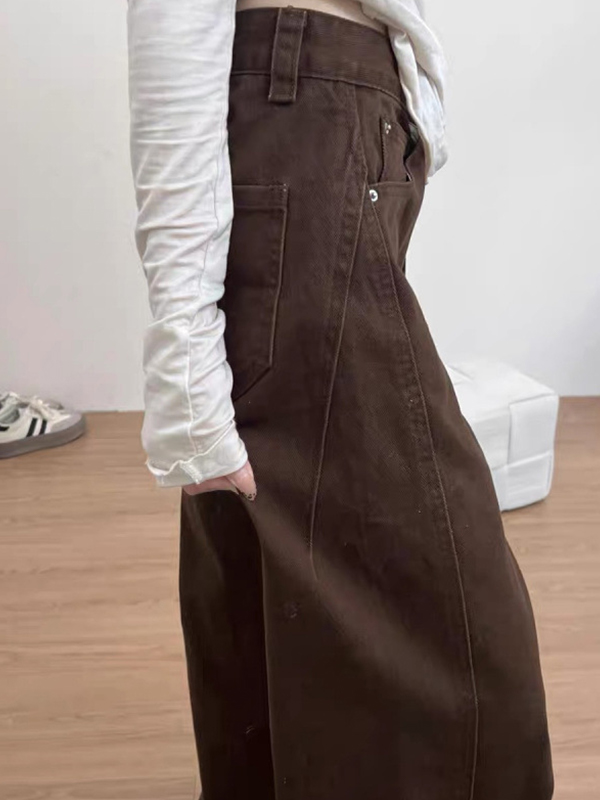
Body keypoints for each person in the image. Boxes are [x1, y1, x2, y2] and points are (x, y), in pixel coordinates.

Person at [126, 2, 555, 798]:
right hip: (305, 128)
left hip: (336, 131)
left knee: (273, 586)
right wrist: (185, 381)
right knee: (468, 643)